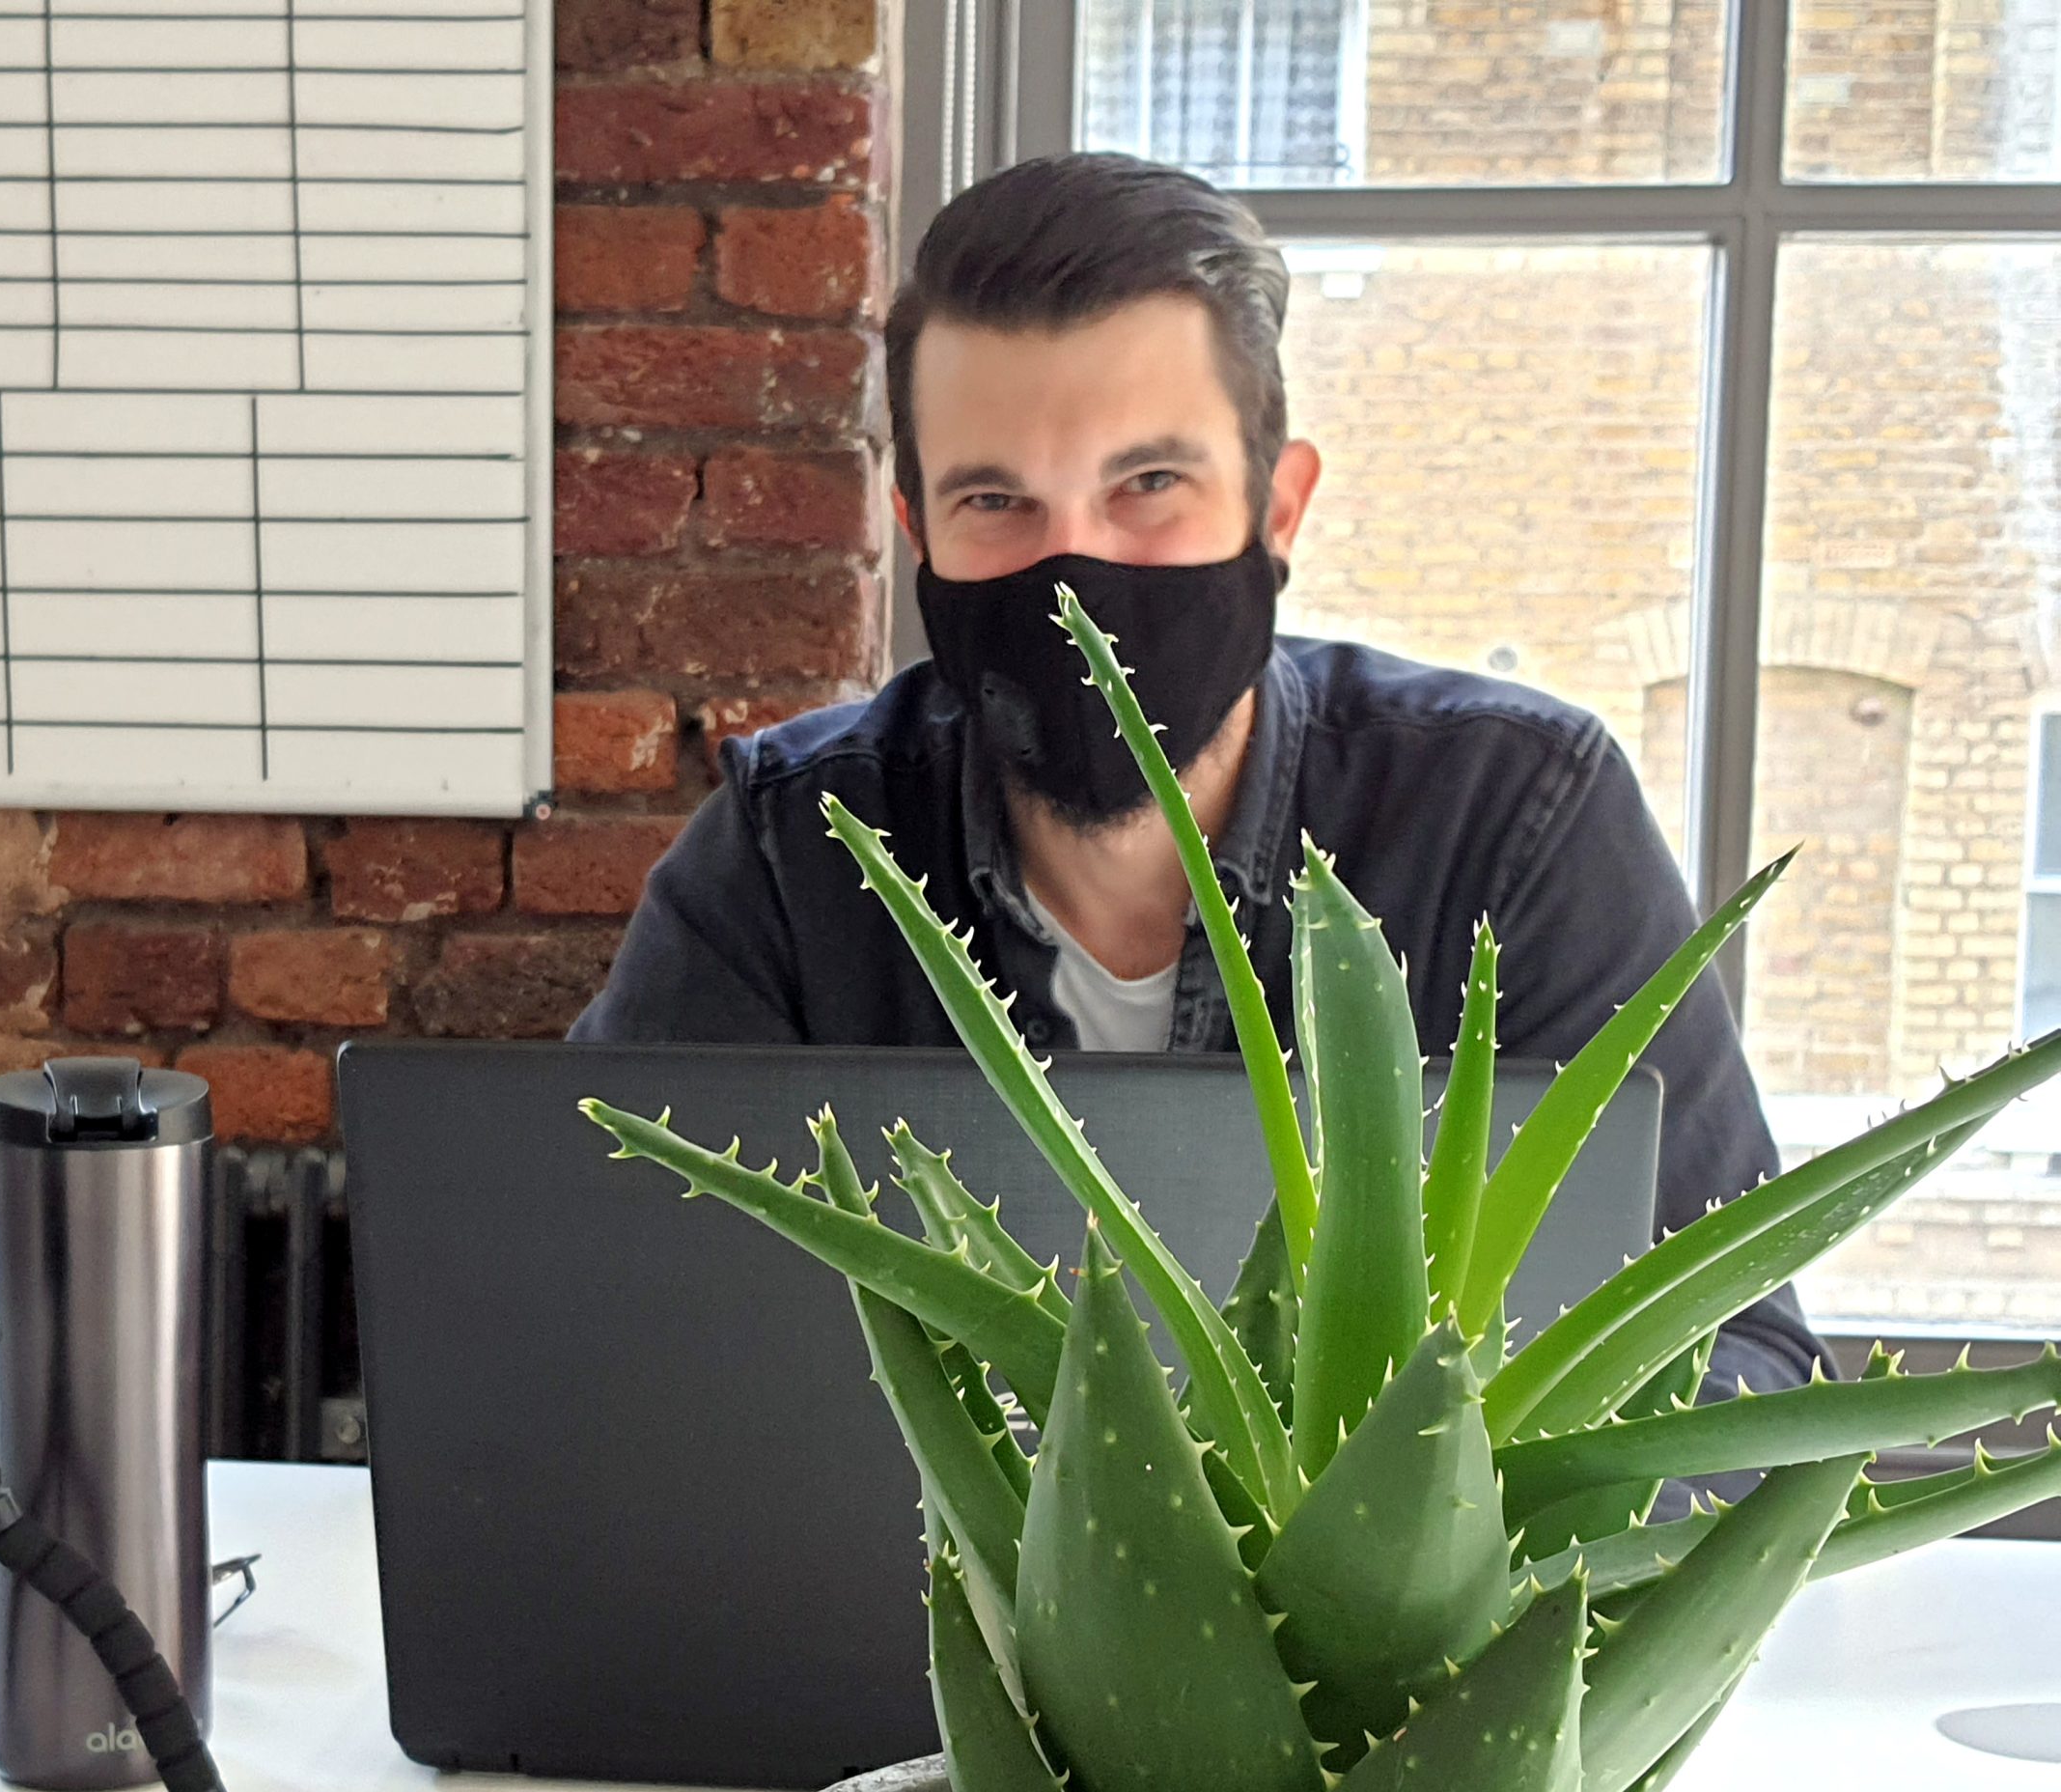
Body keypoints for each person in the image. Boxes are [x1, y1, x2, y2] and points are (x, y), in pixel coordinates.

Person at [571, 152, 1825, 1399]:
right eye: (997, 501)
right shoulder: (794, 850)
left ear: (1278, 510)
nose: (1074, 574)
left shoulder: (1519, 819)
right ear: (918, 540)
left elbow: (1740, 1355)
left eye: (1149, 485)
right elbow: (597, 1317)